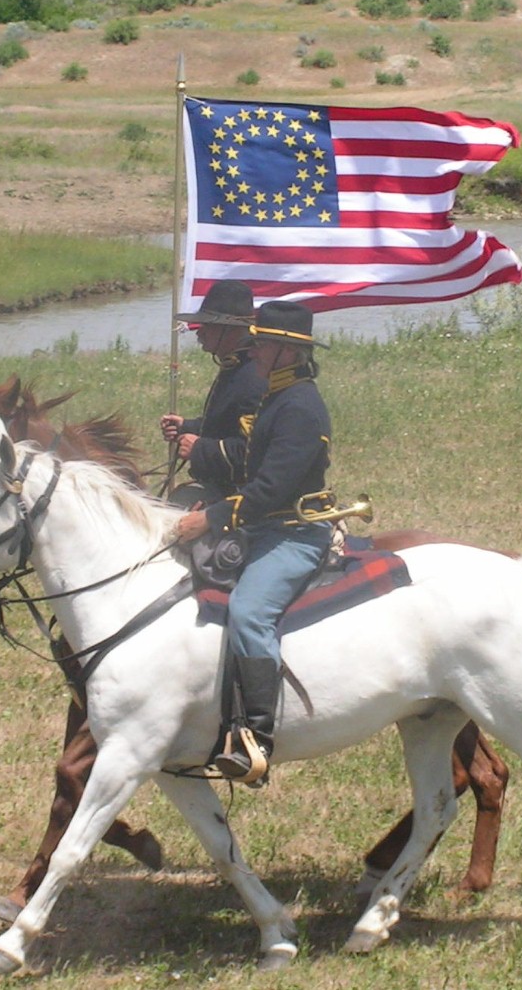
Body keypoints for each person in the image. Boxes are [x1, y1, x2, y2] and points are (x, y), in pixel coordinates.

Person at [173, 300, 333, 786]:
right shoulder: (275, 395)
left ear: (286, 351)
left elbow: (272, 488)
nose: (254, 347)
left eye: (262, 341)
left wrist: (214, 519)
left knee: (248, 611)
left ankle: (257, 740)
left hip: (294, 533)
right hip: (263, 526)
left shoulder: (301, 406)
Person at [160, 279, 265, 506]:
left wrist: (200, 449)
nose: (200, 332)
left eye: (208, 326)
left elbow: (253, 451)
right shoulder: (236, 366)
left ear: (231, 329)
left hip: (241, 497)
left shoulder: (253, 377)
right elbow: (225, 427)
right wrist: (186, 427)